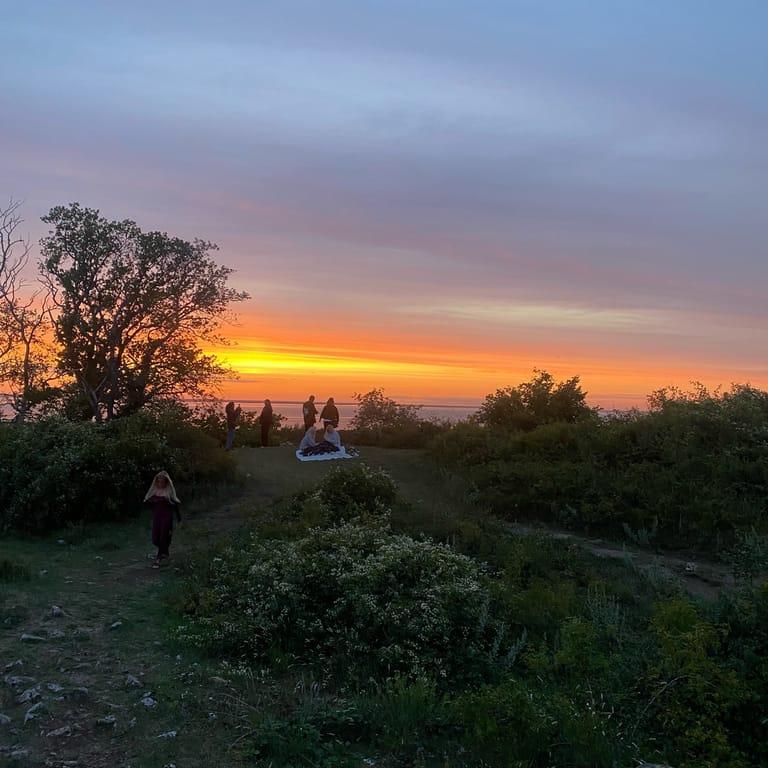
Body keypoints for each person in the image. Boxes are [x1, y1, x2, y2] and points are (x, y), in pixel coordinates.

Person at [144, 471, 181, 569]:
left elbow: (175, 505)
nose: (160, 483)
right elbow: (148, 504)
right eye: (159, 481)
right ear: (156, 481)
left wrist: (179, 519)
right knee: (155, 539)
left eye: (162, 481)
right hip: (157, 517)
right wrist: (151, 501)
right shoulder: (154, 491)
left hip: (166, 517)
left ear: (166, 482)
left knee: (163, 536)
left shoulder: (169, 491)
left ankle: (158, 559)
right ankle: (165, 552)